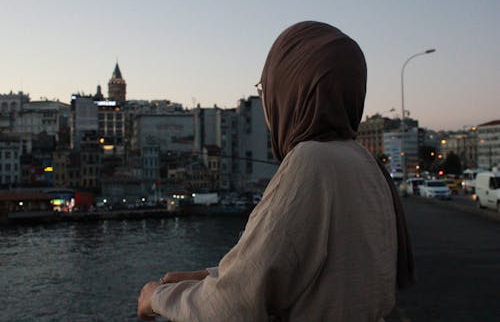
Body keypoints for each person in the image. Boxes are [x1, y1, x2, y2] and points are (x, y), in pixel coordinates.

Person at [138, 21, 414, 322]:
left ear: (292, 90)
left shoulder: (312, 161)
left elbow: (232, 305)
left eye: (266, 88)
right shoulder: (364, 161)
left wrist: (156, 297)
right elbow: (304, 264)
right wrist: (209, 275)